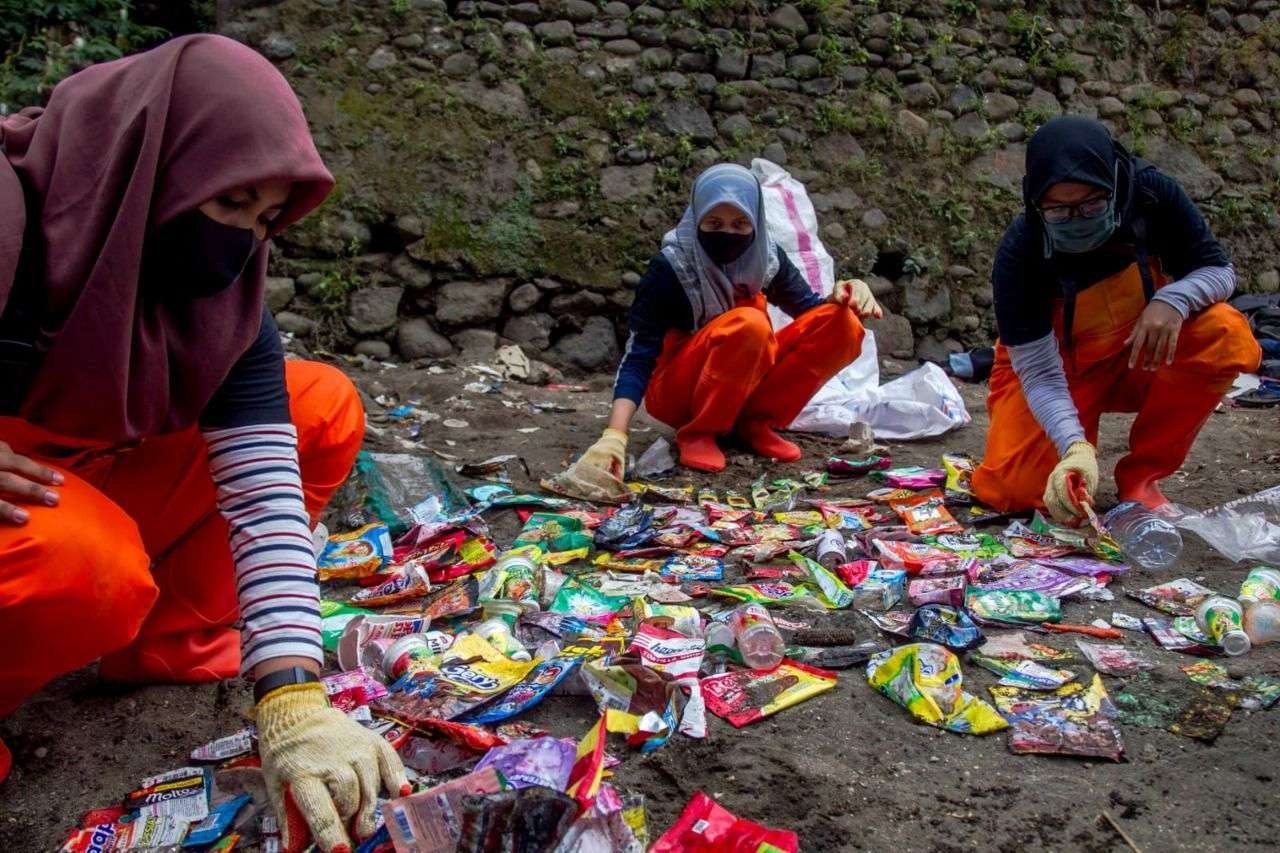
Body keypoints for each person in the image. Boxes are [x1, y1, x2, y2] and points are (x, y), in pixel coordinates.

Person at [0, 36, 406, 853]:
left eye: (265, 220)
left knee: (318, 406)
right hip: (26, 492)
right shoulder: (10, 216)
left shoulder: (226, 302)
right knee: (91, 567)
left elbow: (263, 490)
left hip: (75, 466)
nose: (240, 242)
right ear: (153, 167)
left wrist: (292, 698)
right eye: (230, 202)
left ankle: (167, 641)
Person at [971, 116, 1261, 522]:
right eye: (1059, 210)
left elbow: (1218, 271)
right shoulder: (1021, 251)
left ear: (1115, 184)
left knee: (1224, 333)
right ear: (1036, 204)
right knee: (1016, 492)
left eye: (1092, 204)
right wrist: (1074, 446)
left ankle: (1142, 477)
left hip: (1141, 353)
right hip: (1059, 374)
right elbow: (1038, 373)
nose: (1077, 219)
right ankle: (1071, 448)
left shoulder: (1150, 195)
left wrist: (1174, 299)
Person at [569, 163, 881, 482]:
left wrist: (848, 292)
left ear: (755, 222)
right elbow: (638, 357)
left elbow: (811, 312)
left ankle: (753, 423)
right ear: (697, 217)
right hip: (680, 391)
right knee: (750, 324)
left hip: (742, 380)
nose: (727, 234)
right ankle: (699, 432)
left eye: (740, 223)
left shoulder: (766, 259)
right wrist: (615, 436)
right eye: (715, 222)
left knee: (843, 325)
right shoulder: (671, 268)